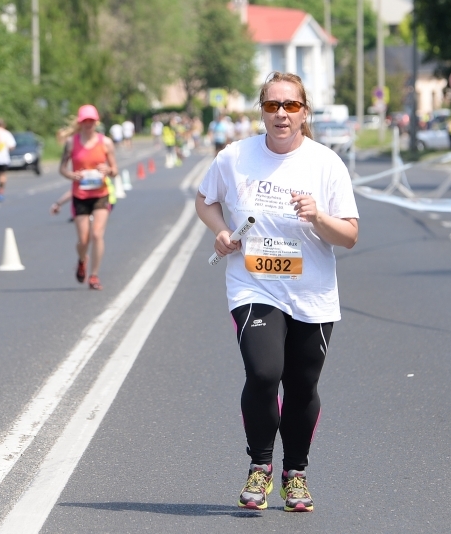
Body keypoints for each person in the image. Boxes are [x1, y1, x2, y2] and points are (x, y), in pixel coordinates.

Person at [195, 72, 359, 512]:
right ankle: (261, 466)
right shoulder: (235, 157)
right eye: (272, 106)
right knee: (265, 373)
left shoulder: (326, 164)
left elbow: (349, 236)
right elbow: (204, 199)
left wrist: (318, 218)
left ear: (304, 112)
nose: (281, 114)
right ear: (262, 111)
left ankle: (296, 474)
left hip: (312, 294)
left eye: (290, 106)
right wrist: (221, 230)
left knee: (302, 386)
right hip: (254, 285)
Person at [59, 104, 118, 290]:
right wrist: (72, 175)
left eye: (91, 121)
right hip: (80, 195)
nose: (88, 124)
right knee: (83, 239)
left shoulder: (106, 143)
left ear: (96, 122)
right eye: (85, 121)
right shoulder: (71, 143)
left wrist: (107, 170)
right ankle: (82, 259)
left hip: (101, 194)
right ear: (80, 122)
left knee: (97, 234)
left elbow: (115, 170)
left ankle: (94, 276)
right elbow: (62, 168)